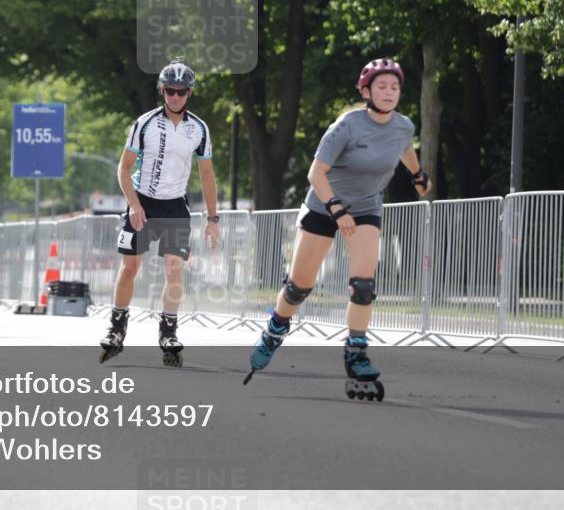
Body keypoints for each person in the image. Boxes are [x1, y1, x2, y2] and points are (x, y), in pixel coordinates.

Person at [244, 58, 432, 400]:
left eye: (395, 87)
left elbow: (404, 149)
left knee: (363, 285)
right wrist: (336, 208)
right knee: (300, 287)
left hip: (365, 209)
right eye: (382, 86)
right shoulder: (347, 126)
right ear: (366, 91)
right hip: (322, 206)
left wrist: (418, 175)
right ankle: (275, 330)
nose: (389, 92)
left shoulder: (403, 126)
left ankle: (356, 352)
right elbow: (315, 174)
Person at [99, 60, 221, 367]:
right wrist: (134, 204)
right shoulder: (145, 124)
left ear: (190, 93)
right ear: (162, 91)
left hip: (175, 205)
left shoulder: (199, 129)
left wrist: (213, 219)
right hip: (143, 200)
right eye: (170, 91)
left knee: (174, 269)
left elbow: (207, 176)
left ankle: (168, 330)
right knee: (130, 268)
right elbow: (124, 168)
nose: (175, 97)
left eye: (181, 92)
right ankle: (116, 328)